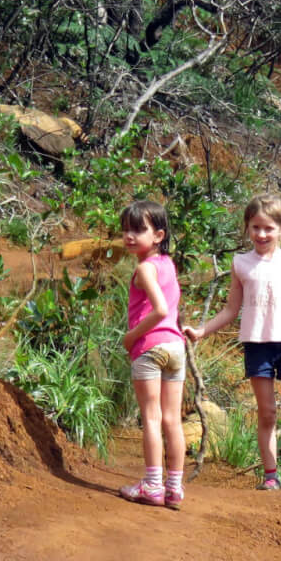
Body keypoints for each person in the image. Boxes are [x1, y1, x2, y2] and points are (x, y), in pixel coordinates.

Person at [184, 195, 281, 497]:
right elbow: (231, 310)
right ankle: (271, 477)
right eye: (255, 227)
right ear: (247, 228)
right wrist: (202, 331)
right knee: (266, 413)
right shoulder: (241, 263)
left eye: (268, 228)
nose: (261, 234)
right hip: (256, 345)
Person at [118, 200, 187, 510]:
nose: (130, 236)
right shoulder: (168, 265)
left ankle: (152, 485)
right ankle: (174, 488)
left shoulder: (144, 268)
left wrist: (131, 337)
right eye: (126, 230)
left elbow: (159, 309)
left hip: (149, 347)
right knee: (173, 420)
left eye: (138, 230)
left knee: (151, 417)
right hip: (175, 347)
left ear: (158, 234)